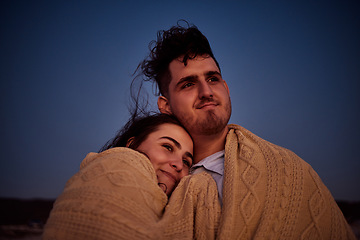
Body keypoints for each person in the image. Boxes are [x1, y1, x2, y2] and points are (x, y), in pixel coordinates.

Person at [136, 21, 356, 239]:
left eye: (213, 79)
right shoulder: (147, 174)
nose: (206, 91)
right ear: (165, 105)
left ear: (226, 88)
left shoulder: (290, 171)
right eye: (188, 84)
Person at [43, 113, 221, 239]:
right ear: (132, 144)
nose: (178, 164)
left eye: (186, 161)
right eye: (167, 147)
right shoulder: (120, 163)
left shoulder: (185, 201)